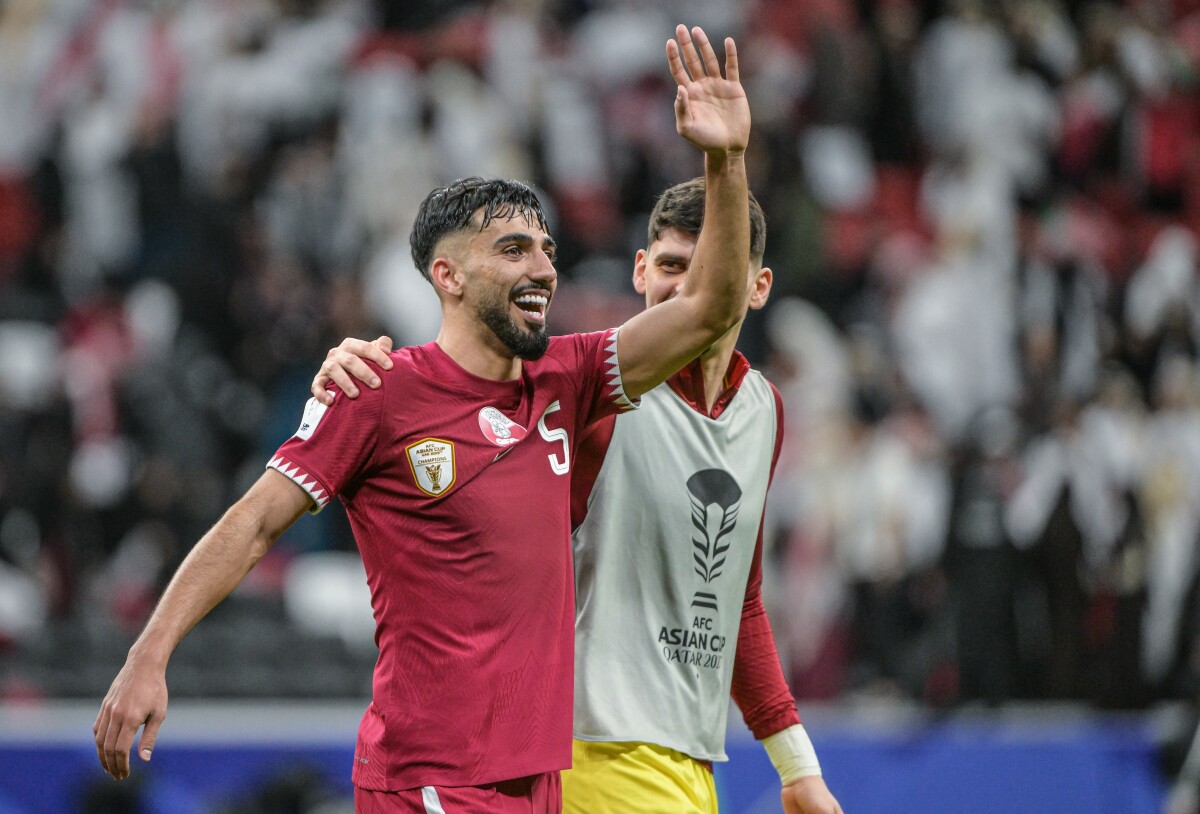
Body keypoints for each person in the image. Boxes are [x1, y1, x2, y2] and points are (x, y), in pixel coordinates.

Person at [94, 23, 753, 814]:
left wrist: (726, 160)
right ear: (447, 275)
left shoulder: (566, 379)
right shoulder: (376, 390)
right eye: (513, 250)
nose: (543, 267)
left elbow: (711, 308)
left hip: (538, 784)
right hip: (432, 782)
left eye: (545, 249)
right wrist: (149, 653)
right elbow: (255, 522)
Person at [317, 187, 842, 812]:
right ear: (641, 270)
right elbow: (463, 391)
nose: (687, 289)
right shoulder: (586, 394)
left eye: (710, 272)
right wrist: (369, 370)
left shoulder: (762, 409)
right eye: (672, 266)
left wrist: (795, 764)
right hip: (587, 750)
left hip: (693, 758)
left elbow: (738, 600)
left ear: (751, 286)